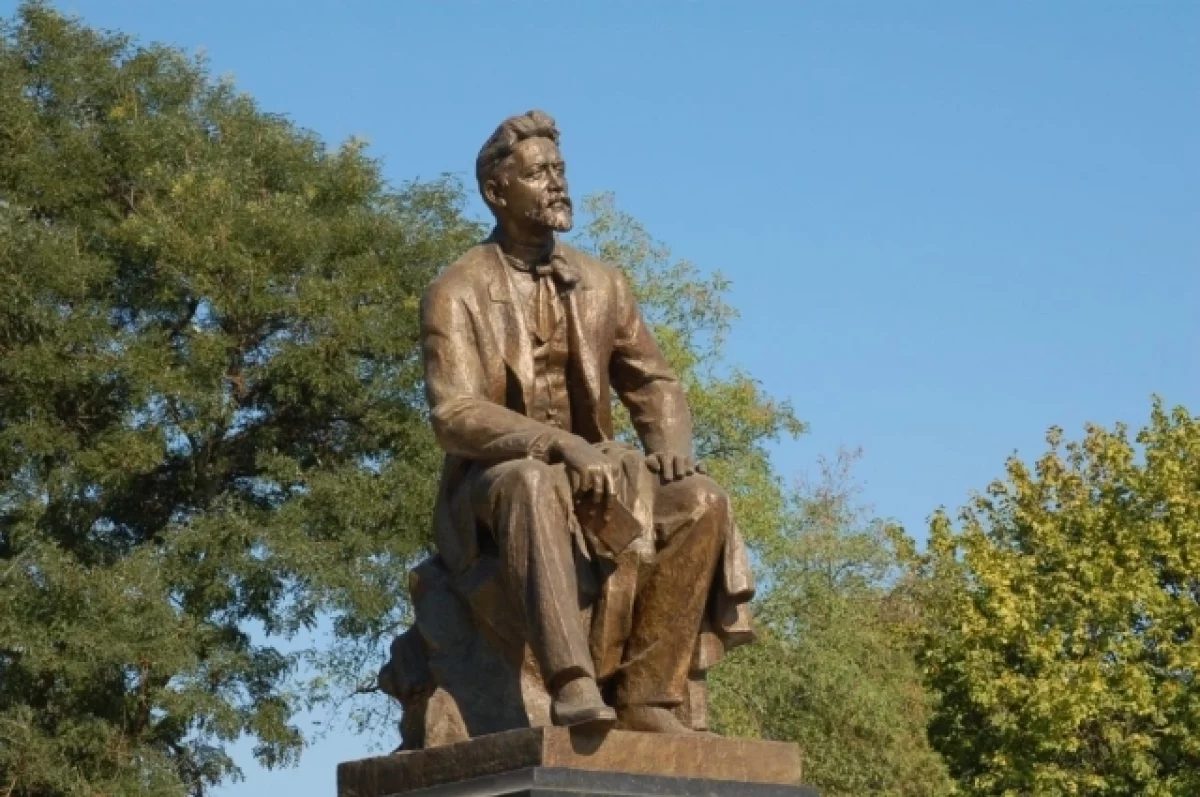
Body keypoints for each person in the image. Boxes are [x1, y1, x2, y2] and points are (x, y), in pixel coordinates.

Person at [419, 110, 754, 734]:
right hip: (493, 484)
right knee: (531, 482)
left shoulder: (603, 283)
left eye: (560, 169)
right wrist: (555, 445)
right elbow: (454, 413)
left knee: (701, 501)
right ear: (496, 192)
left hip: (599, 474)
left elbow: (653, 382)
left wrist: (669, 445)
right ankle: (570, 681)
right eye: (538, 173)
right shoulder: (456, 289)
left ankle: (649, 695)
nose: (556, 183)